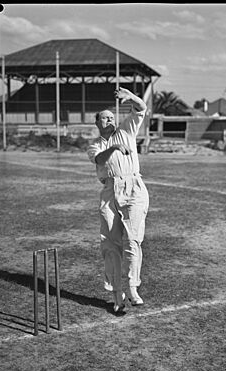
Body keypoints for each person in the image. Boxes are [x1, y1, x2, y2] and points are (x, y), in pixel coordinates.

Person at [87, 87, 149, 314]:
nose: (110, 119)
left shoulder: (126, 130)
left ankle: (133, 288)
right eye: (104, 117)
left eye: (112, 116)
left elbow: (142, 108)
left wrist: (131, 96)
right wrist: (113, 147)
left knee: (134, 240)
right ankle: (116, 295)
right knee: (111, 244)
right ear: (97, 123)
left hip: (133, 187)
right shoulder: (95, 144)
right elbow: (100, 159)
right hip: (110, 190)